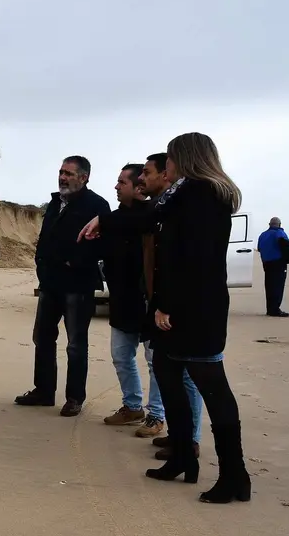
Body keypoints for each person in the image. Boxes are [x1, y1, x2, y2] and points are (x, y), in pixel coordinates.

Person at [80, 132, 250, 504]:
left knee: (211, 384)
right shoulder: (182, 195)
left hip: (196, 308)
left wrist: (167, 305)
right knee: (169, 375)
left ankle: (235, 476)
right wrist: (103, 221)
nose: (165, 164)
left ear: (185, 158)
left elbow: (195, 261)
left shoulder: (202, 194)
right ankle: (182, 458)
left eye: (170, 158)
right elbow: (148, 220)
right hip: (179, 305)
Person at [16, 156, 111, 417]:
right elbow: (45, 238)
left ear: (84, 177)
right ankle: (44, 391)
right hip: (50, 283)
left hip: (78, 286)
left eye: (69, 173)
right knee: (43, 337)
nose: (63, 177)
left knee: (76, 344)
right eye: (61, 172)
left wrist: (73, 262)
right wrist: (40, 265)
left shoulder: (97, 205)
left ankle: (74, 398)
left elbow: (102, 246)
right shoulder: (56, 201)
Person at [137, 154, 205, 460]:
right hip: (162, 302)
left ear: (166, 174)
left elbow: (178, 262)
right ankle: (179, 436)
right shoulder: (160, 207)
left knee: (187, 374)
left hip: (179, 306)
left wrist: (166, 305)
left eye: (147, 173)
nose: (143, 178)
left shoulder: (178, 207)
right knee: (170, 372)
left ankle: (189, 440)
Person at [101, 163, 166, 436]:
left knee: (155, 361)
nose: (116, 186)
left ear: (138, 187)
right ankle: (132, 406)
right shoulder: (114, 218)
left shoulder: (151, 215)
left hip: (149, 301)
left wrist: (101, 221)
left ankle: (157, 415)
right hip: (121, 299)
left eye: (122, 182)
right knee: (121, 356)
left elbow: (141, 224)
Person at [257, 217, 289, 317]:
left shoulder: (262, 235)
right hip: (278, 263)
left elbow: (259, 248)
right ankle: (275, 310)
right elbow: (285, 246)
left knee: (269, 286)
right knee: (278, 286)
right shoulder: (279, 233)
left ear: (269, 224)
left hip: (267, 263)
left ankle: (270, 309)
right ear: (279, 224)